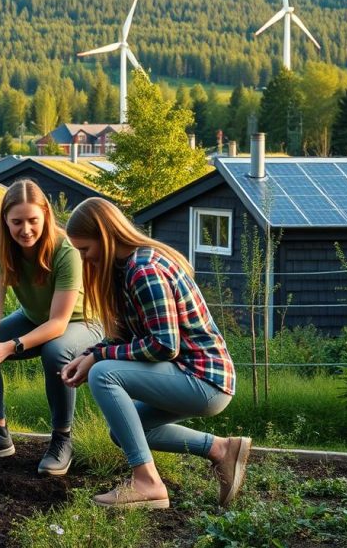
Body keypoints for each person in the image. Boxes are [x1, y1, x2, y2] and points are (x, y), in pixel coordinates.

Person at [61, 197, 250, 509]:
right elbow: (125, 337)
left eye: (85, 250)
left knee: (103, 373)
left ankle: (146, 481)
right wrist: (89, 354)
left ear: (106, 238)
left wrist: (96, 360)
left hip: (203, 379)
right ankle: (220, 450)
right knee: (125, 430)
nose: (83, 259)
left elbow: (164, 345)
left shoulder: (143, 271)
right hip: (192, 377)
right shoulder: (126, 270)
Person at [0, 180, 102, 475]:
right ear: (5, 221)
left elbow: (58, 323)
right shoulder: (1, 248)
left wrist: (11, 346)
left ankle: (62, 438)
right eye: (16, 222)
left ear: (45, 217)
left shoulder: (66, 250)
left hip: (82, 322)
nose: (25, 229)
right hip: (34, 317)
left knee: (56, 351)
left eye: (32, 221)